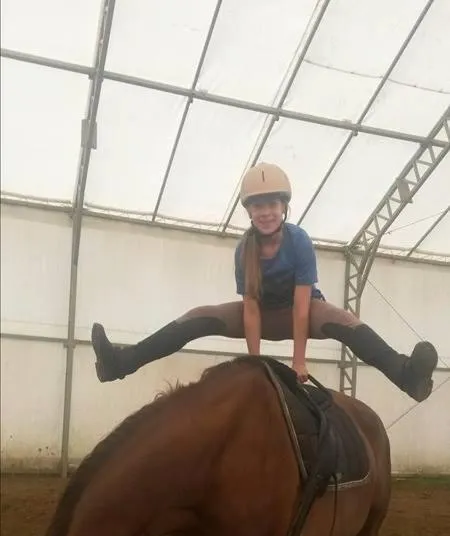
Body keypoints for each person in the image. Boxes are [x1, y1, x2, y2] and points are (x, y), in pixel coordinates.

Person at [90, 162, 437, 402]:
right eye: (258, 206)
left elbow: (302, 307)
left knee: (345, 320)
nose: (266, 212)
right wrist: (255, 361)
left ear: (283, 207)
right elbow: (251, 310)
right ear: (248, 211)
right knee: (199, 315)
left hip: (303, 311)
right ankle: (120, 363)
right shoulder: (245, 250)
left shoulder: (299, 241)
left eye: (272, 203)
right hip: (262, 313)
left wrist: (298, 361)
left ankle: (406, 375)